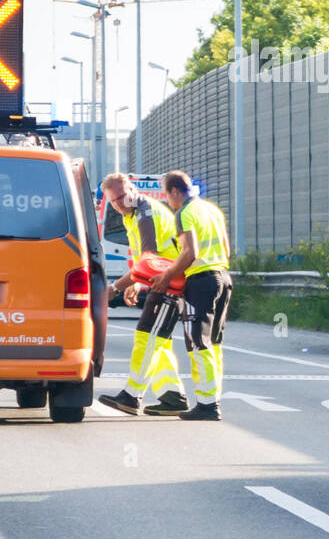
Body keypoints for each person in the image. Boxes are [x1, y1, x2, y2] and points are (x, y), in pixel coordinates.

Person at [95, 173, 190, 417]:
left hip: (168, 284)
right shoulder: (133, 214)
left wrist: (115, 288)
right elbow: (146, 261)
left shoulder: (145, 213)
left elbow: (149, 259)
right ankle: (172, 396)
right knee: (158, 344)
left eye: (123, 196)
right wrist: (137, 283)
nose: (120, 203)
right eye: (114, 201)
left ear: (132, 189)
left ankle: (132, 396)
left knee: (145, 338)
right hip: (164, 281)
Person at [150, 170, 231, 421]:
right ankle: (212, 398)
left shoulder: (184, 213)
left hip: (201, 281)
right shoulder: (211, 209)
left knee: (198, 342)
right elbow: (226, 247)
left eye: (166, 195)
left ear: (175, 191)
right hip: (223, 277)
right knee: (214, 344)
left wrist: (166, 276)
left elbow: (189, 253)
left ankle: (207, 405)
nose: (167, 201)